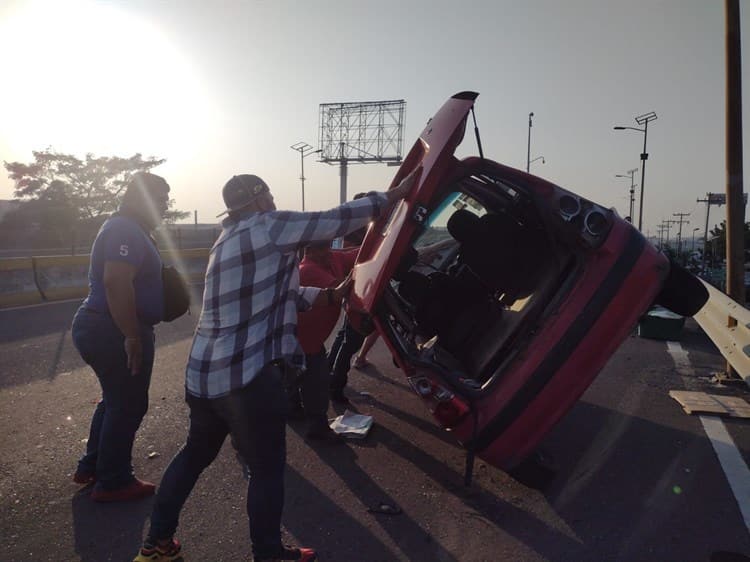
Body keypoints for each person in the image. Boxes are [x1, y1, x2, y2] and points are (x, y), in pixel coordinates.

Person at [133, 168, 418, 562]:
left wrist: (328, 295)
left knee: (193, 456)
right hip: (247, 378)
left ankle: (156, 545)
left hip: (203, 377)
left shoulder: (227, 238)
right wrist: (393, 195)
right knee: (267, 469)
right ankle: (267, 554)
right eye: (268, 195)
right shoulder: (268, 225)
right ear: (259, 199)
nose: (272, 201)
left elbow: (279, 293)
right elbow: (333, 219)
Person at [71, 172, 170, 502]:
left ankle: (94, 465)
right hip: (112, 329)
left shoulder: (131, 228)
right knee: (128, 404)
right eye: (159, 198)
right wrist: (131, 336)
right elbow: (116, 282)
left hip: (109, 327)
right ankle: (113, 480)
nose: (165, 205)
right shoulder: (123, 229)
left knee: (114, 400)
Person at [294, 241, 358, 442]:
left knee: (294, 380)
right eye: (321, 247)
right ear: (308, 250)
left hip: (307, 340)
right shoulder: (308, 270)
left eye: (328, 245)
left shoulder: (331, 258)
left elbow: (355, 254)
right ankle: (318, 429)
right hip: (302, 342)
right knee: (316, 384)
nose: (327, 251)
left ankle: (293, 409)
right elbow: (342, 290)